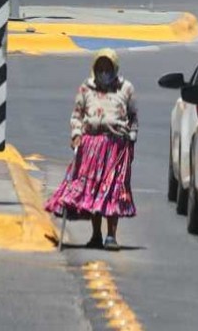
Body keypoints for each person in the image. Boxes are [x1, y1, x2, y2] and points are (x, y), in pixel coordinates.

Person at [45, 48, 138, 251]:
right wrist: (76, 135)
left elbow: (133, 118)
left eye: (108, 67)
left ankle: (111, 236)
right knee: (94, 188)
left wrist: (131, 142)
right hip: (91, 146)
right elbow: (77, 115)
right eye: (100, 67)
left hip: (116, 146)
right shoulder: (86, 89)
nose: (104, 71)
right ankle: (96, 235)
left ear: (115, 68)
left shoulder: (126, 89)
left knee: (113, 189)